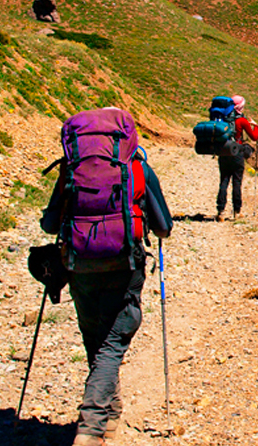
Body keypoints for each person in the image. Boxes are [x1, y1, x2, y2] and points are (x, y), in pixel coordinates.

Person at [40, 108, 173, 446]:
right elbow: (164, 227)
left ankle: (110, 412)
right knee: (113, 342)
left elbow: (49, 224)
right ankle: (92, 427)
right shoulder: (137, 167)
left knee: (93, 336)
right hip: (123, 263)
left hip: (78, 264)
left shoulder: (71, 169)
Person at [215, 95, 258, 221]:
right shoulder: (241, 120)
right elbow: (254, 137)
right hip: (237, 152)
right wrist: (255, 126)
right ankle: (237, 211)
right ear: (240, 106)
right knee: (237, 182)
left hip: (223, 152)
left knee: (223, 181)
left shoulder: (222, 118)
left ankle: (220, 211)